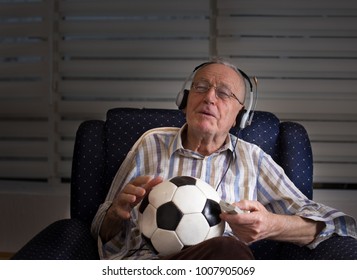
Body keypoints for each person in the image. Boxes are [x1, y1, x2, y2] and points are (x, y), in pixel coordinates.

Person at [91, 58, 357, 260]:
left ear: (240, 116)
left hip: (224, 264)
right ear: (185, 100)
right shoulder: (150, 143)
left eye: (224, 93)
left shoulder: (253, 159)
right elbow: (100, 228)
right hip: (144, 266)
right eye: (201, 87)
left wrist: (271, 225)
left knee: (227, 249)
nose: (209, 98)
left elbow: (338, 224)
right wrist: (115, 213)